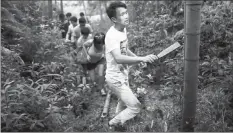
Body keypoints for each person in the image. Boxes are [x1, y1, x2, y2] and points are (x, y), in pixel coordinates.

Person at [104, 1, 158, 129]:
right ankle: (112, 123)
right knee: (135, 107)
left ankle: (118, 125)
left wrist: (137, 59)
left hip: (122, 74)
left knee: (122, 101)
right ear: (114, 19)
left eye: (126, 12)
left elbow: (124, 49)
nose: (126, 16)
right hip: (115, 78)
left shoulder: (123, 29)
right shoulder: (112, 36)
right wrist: (142, 58)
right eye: (122, 14)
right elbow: (118, 58)